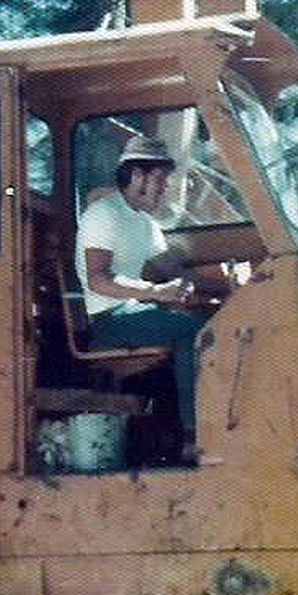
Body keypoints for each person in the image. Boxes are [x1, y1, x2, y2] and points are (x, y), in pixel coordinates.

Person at [75, 134, 207, 461]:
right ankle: (194, 434)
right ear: (137, 176)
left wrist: (193, 287)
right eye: (160, 180)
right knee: (192, 331)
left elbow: (168, 264)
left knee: (207, 321)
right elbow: (98, 280)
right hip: (108, 321)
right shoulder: (103, 215)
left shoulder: (144, 222)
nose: (164, 189)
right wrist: (157, 292)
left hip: (133, 310)